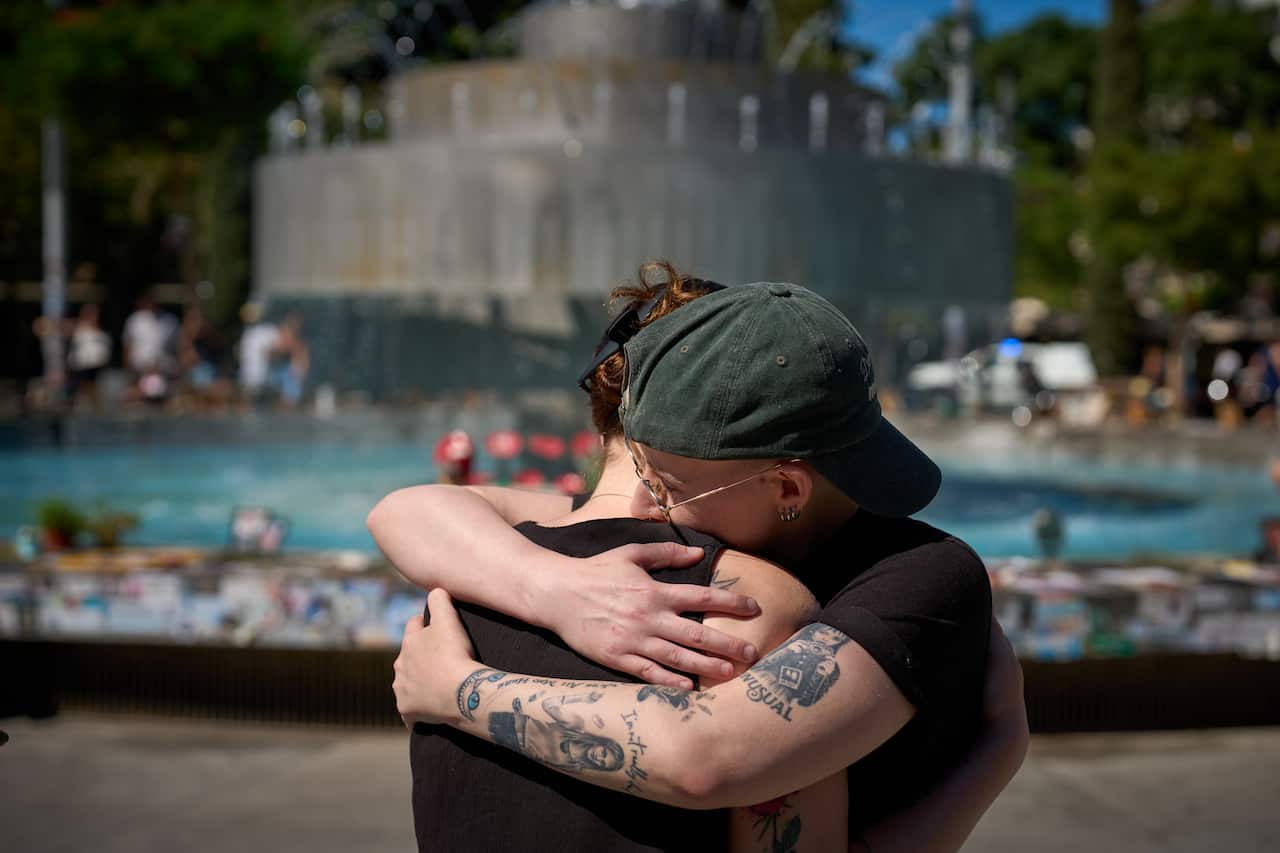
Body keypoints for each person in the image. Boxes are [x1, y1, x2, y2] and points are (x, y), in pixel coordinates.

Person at [372, 274, 1025, 851]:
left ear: (789, 488)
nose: (637, 500)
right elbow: (407, 510)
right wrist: (556, 587)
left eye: (666, 483)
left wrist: (460, 689)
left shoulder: (909, 576)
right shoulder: (587, 553)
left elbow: (707, 755)